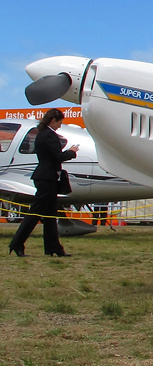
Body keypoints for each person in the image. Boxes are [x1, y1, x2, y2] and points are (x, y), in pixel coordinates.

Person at [8, 109, 79, 257]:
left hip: (44, 177)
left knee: (50, 215)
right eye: (59, 122)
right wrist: (71, 152)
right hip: (48, 178)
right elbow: (57, 157)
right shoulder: (50, 136)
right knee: (35, 214)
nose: (60, 126)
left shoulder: (41, 134)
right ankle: (17, 243)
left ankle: (53, 247)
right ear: (53, 120)